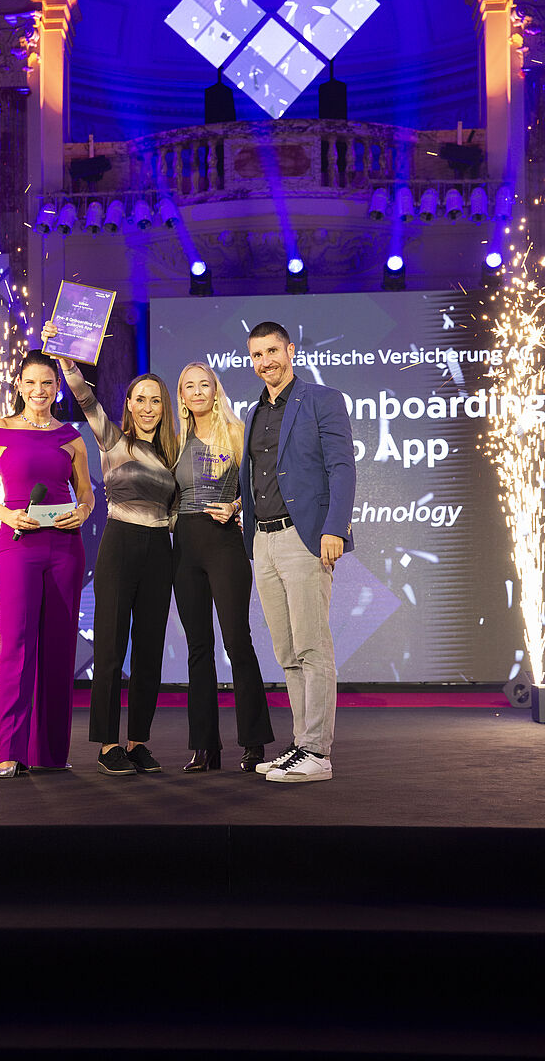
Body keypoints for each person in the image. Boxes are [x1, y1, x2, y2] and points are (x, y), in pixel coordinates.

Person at [41, 321, 178, 776]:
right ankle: (106, 745)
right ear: (129, 405)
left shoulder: (173, 453)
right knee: (111, 648)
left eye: (155, 400)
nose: (146, 407)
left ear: (164, 407)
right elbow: (82, 395)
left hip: (161, 549)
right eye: (139, 399)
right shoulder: (113, 440)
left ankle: (139, 741)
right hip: (120, 545)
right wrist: (64, 355)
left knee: (149, 648)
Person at [0, 349, 95, 778]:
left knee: (59, 648)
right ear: (19, 384)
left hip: (65, 547)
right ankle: (9, 752)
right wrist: (5, 514)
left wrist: (84, 511)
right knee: (17, 645)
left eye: (48, 383)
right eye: (32, 382)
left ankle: (52, 752)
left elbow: (87, 493)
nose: (40, 391)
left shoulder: (70, 436)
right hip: (18, 542)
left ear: (58, 389)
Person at [239, 322, 356, 784]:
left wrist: (335, 529)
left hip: (304, 538)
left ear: (290, 350)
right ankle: (300, 745)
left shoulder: (323, 400)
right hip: (263, 541)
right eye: (256, 355)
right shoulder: (253, 413)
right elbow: (262, 476)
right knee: (287, 651)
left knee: (312, 646)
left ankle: (317, 752)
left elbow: (342, 469)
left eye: (272, 351)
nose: (266, 361)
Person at [173, 361, 274, 771]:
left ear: (216, 390)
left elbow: (256, 488)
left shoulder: (236, 431)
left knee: (237, 641)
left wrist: (234, 506)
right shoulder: (173, 440)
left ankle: (253, 742)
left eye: (204, 385)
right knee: (198, 648)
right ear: (180, 395)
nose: (197, 392)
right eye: (188, 386)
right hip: (184, 545)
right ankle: (205, 747)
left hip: (225, 544)